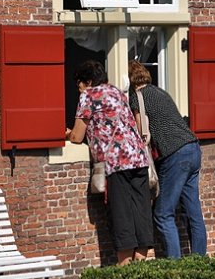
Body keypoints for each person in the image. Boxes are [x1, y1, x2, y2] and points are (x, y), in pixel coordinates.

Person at [66, 60, 154, 265]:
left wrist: (70, 133)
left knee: (122, 217)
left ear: (87, 82)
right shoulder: (116, 92)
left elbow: (78, 136)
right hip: (138, 158)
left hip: (117, 161)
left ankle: (124, 272)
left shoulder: (89, 95)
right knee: (140, 214)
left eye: (79, 86)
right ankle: (142, 270)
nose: (79, 91)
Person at [128, 60, 207, 258]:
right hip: (192, 148)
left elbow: (140, 132)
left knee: (163, 213)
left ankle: (175, 267)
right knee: (193, 211)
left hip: (175, 155)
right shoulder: (161, 92)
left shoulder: (137, 97)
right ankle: (201, 262)